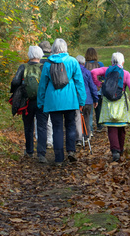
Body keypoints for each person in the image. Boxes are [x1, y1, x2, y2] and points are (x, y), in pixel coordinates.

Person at [36, 38, 86, 167]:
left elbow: (43, 85)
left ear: (53, 49)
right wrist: (82, 100)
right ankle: (71, 151)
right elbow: (79, 83)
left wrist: (40, 101)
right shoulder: (73, 62)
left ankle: (58, 158)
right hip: (70, 100)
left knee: (57, 128)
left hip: (53, 101)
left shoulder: (48, 64)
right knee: (70, 126)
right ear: (65, 48)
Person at [90, 52, 130, 162]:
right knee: (121, 127)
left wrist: (98, 84)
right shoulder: (125, 73)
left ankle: (115, 151)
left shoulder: (106, 70)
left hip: (108, 102)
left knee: (111, 128)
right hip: (121, 102)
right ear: (123, 62)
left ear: (111, 62)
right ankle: (121, 149)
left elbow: (93, 72)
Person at [10, 45, 46, 159]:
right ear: (40, 55)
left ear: (29, 55)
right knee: (42, 127)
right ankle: (41, 154)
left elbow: (15, 81)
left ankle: (29, 151)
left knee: (28, 126)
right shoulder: (43, 67)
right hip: (42, 102)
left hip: (26, 102)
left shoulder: (23, 67)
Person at [75, 54, 99, 149]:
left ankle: (78, 138)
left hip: (76, 99)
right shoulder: (87, 72)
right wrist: (95, 99)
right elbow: (92, 87)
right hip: (88, 99)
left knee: (76, 119)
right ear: (84, 63)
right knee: (87, 118)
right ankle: (86, 136)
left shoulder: (73, 72)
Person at [84, 48, 104, 133]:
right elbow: (104, 76)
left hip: (87, 90)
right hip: (98, 89)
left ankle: (89, 128)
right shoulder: (100, 64)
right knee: (98, 108)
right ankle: (99, 126)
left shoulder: (84, 65)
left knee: (89, 111)